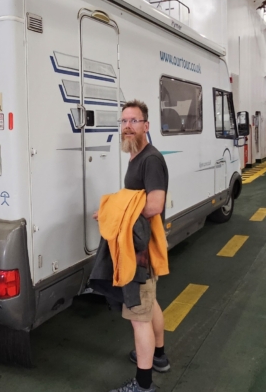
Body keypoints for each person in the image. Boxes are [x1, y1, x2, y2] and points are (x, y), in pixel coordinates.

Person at [103, 100, 170, 392]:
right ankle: (158, 356)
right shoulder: (136, 156)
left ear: (146, 125)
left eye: (133, 121)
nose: (127, 127)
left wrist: (116, 211)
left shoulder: (151, 159)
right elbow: (135, 201)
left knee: (138, 318)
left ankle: (143, 386)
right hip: (142, 244)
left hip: (140, 251)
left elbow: (154, 205)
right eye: (124, 122)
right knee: (150, 303)